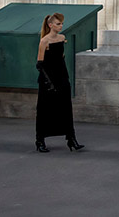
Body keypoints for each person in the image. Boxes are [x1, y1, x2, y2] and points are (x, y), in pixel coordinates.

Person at [35, 13, 84, 153]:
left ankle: (71, 139)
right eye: (58, 24)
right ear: (50, 25)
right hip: (48, 81)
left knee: (66, 109)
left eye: (61, 23)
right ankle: (40, 141)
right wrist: (49, 82)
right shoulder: (44, 41)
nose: (61, 26)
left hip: (62, 78)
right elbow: (39, 64)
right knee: (45, 111)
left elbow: (61, 59)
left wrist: (65, 78)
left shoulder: (62, 38)